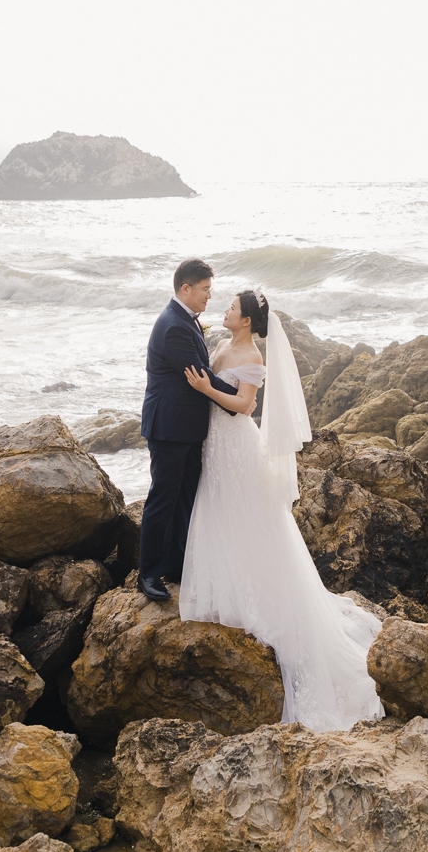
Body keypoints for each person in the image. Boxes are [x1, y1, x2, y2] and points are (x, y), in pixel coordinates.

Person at [180, 289, 386, 732]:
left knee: (248, 519)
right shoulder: (220, 345)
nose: (226, 310)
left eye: (233, 308)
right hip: (213, 446)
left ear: (248, 321)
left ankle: (259, 596)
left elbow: (244, 406)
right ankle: (225, 584)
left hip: (235, 445)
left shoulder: (252, 354)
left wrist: (203, 388)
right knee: (219, 513)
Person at [137, 259, 247, 602]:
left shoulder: (184, 320)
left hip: (186, 427)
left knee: (185, 498)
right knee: (163, 499)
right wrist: (241, 400)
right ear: (186, 288)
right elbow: (201, 376)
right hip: (170, 427)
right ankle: (149, 573)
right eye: (206, 290)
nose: (209, 297)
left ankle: (176, 565)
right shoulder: (174, 326)